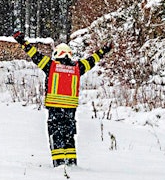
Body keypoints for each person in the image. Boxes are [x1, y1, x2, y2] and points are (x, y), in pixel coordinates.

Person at [12, 31, 111, 167]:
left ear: (57, 54)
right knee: (69, 136)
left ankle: (59, 164)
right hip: (70, 110)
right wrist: (103, 51)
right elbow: (92, 60)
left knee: (56, 134)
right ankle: (71, 162)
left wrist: (23, 42)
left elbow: (34, 54)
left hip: (54, 109)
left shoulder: (50, 66)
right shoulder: (77, 68)